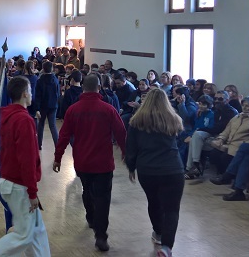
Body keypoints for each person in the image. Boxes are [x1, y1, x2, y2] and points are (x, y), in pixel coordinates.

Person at [54, 75, 127, 252]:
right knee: (103, 198)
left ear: (83, 88)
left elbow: (63, 136)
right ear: (99, 88)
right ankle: (101, 236)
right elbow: (121, 132)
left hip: (82, 162)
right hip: (103, 163)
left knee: (87, 190)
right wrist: (126, 152)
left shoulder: (73, 110)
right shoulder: (108, 109)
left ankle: (91, 217)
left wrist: (58, 157)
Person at [0, 76, 51, 257]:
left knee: (37, 231)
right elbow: (27, 159)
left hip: (10, 181)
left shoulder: (8, 116)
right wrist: (32, 192)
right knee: (23, 235)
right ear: (24, 94)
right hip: (17, 185)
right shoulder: (23, 120)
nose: (32, 94)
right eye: (30, 91)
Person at [125, 88, 184, 257]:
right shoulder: (174, 119)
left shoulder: (136, 121)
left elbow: (131, 147)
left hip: (147, 169)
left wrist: (131, 167)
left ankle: (158, 232)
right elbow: (178, 140)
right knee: (172, 209)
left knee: (154, 202)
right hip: (173, 169)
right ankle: (166, 247)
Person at [35, 60, 60, 150]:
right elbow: (58, 93)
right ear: (52, 69)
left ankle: (39, 145)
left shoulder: (40, 81)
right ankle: (57, 145)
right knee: (52, 125)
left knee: (41, 125)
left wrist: (37, 108)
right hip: (53, 105)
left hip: (43, 106)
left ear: (43, 69)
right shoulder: (55, 80)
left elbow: (37, 96)